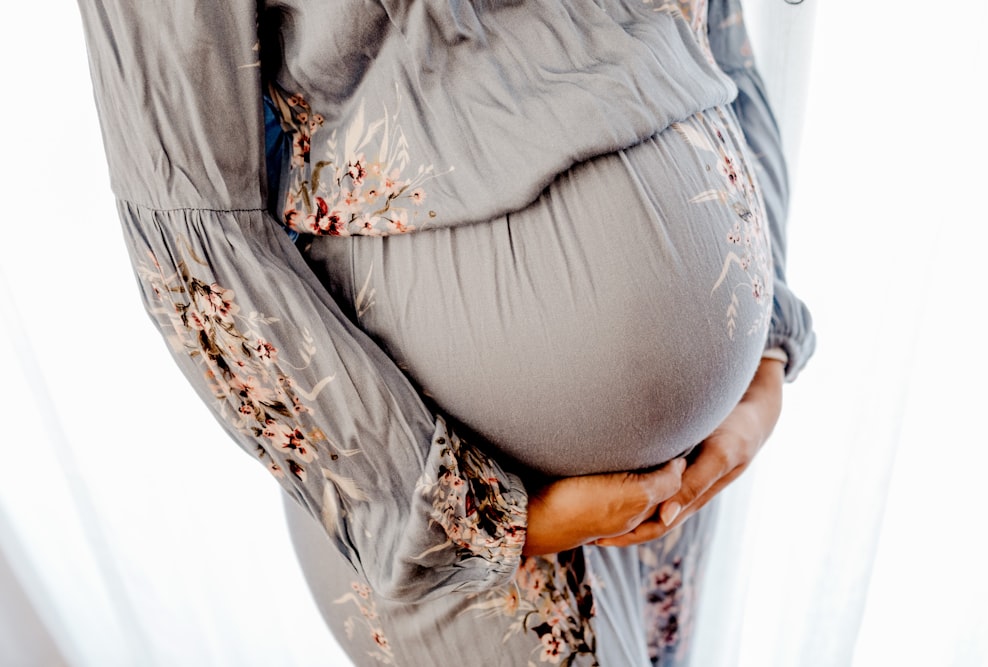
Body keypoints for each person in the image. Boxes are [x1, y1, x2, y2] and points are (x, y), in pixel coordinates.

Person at [76, 0, 815, 664]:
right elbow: (191, 223)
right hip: (429, 479)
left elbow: (714, 27)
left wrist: (766, 348)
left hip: (691, 466)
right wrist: (477, 523)